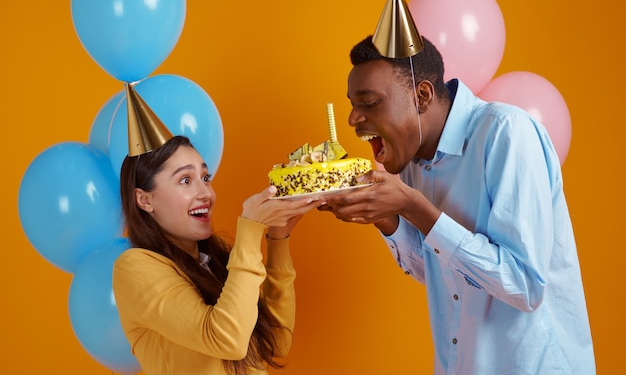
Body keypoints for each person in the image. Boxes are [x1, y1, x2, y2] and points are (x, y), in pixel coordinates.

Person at [319, 34, 596, 374]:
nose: (352, 119)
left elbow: (524, 285)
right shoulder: (411, 160)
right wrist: (386, 217)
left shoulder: (506, 132)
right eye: (352, 104)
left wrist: (416, 208)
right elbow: (440, 270)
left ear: (422, 96)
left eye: (370, 103)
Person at [112, 135, 322, 375]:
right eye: (185, 180)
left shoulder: (216, 259)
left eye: (205, 178)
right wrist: (250, 227)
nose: (206, 194)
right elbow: (228, 340)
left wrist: (278, 239)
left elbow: (276, 341)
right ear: (145, 200)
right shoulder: (134, 268)